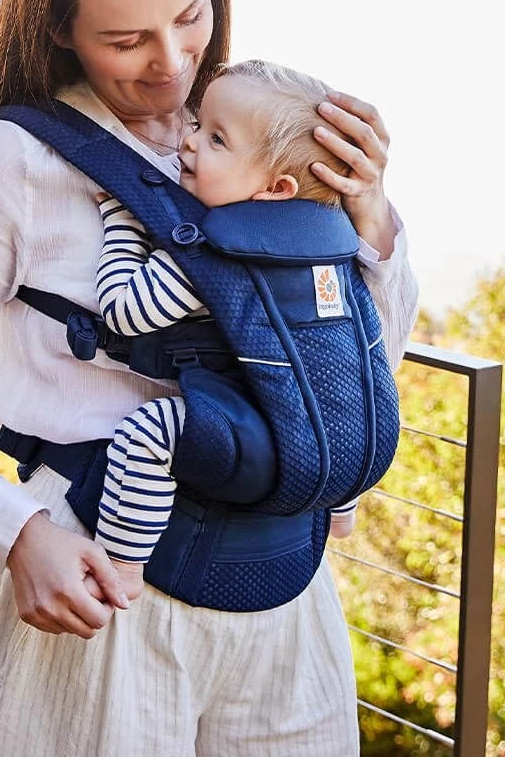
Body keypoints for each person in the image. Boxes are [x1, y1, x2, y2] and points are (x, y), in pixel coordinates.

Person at [0, 0, 419, 756]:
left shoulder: (263, 136)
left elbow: (358, 362)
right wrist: (13, 533)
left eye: (190, 18)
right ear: (60, 30)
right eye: (126, 41)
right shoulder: (12, 163)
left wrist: (371, 217)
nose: (172, 64)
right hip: (101, 586)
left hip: (286, 593)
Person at [93, 58, 371, 600]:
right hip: (347, 446)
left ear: (275, 187)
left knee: (147, 433)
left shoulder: (218, 250)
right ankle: (340, 511)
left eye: (216, 139)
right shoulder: (332, 246)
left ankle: (122, 563)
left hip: (264, 449)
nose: (188, 141)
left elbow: (125, 311)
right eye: (199, 125)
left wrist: (123, 224)